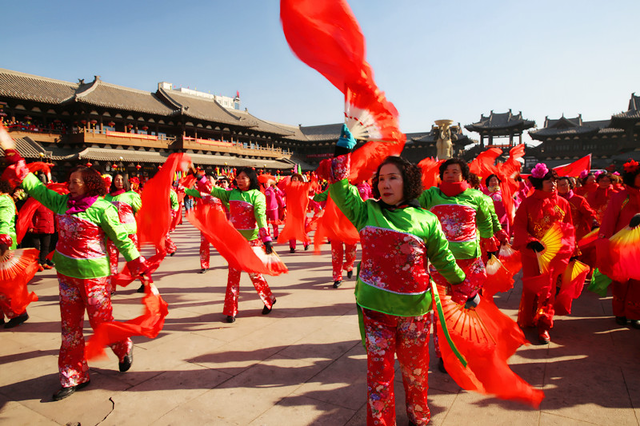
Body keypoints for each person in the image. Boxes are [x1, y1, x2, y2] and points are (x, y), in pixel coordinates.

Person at [326, 127, 466, 425]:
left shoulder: (426, 220)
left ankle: (420, 415)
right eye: (380, 179)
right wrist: (342, 153)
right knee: (379, 375)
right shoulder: (366, 212)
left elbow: (443, 258)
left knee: (415, 372)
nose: (385, 184)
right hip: (375, 312)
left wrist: (464, 285)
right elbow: (338, 187)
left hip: (415, 312)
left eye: (393, 178)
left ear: (409, 183)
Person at [3, 151, 149, 401]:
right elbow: (38, 190)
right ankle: (73, 375)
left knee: (100, 324)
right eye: (69, 181)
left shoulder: (103, 208)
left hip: (95, 277)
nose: (69, 186)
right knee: (70, 328)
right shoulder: (61, 203)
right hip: (66, 275)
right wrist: (20, 167)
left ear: (89, 185)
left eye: (75, 182)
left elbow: (121, 238)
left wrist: (137, 261)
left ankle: (123, 345)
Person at [418, 158, 499, 371]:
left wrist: (489, 239)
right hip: (440, 262)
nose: (451, 175)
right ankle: (446, 353)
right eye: (446, 172)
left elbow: (484, 221)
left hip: (470, 262)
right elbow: (413, 208)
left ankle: (469, 348)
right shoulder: (430, 195)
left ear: (464, 176)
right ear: (441, 175)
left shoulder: (475, 197)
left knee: (468, 307)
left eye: (455, 171)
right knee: (443, 310)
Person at [196, 167, 276, 323]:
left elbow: (260, 217)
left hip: (252, 242)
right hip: (234, 242)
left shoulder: (257, 196)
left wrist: (266, 240)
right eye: (238, 177)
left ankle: (269, 299)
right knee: (233, 276)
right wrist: (200, 177)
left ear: (251, 179)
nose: (240, 180)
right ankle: (231, 310)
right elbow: (212, 190)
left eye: (244, 177)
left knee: (255, 275)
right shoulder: (231, 194)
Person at [513, 164, 574, 344]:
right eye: (549, 181)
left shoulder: (563, 203)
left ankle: (544, 325)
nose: (553, 184)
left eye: (554, 181)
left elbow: (569, 228)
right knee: (532, 287)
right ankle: (529, 319)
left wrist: (572, 250)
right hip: (532, 254)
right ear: (539, 183)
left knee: (549, 290)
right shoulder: (527, 203)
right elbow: (519, 227)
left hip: (554, 255)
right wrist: (531, 241)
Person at [599, 160, 640, 328]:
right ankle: (620, 312)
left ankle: (634, 314)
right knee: (621, 280)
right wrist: (605, 242)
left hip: (639, 246)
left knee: (638, 281)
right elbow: (609, 221)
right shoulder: (620, 197)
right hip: (621, 245)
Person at [0, 179, 29, 328]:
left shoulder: (4, 201)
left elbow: (4, 222)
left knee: (6, 283)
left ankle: (18, 313)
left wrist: (3, 239)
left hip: (3, 246)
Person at [104, 173, 142, 278]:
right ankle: (111, 287)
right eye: (117, 179)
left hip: (128, 232)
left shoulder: (132, 195)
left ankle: (144, 281)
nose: (119, 182)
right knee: (111, 261)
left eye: (121, 179)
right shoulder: (107, 197)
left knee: (133, 259)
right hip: (112, 232)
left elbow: (140, 211)